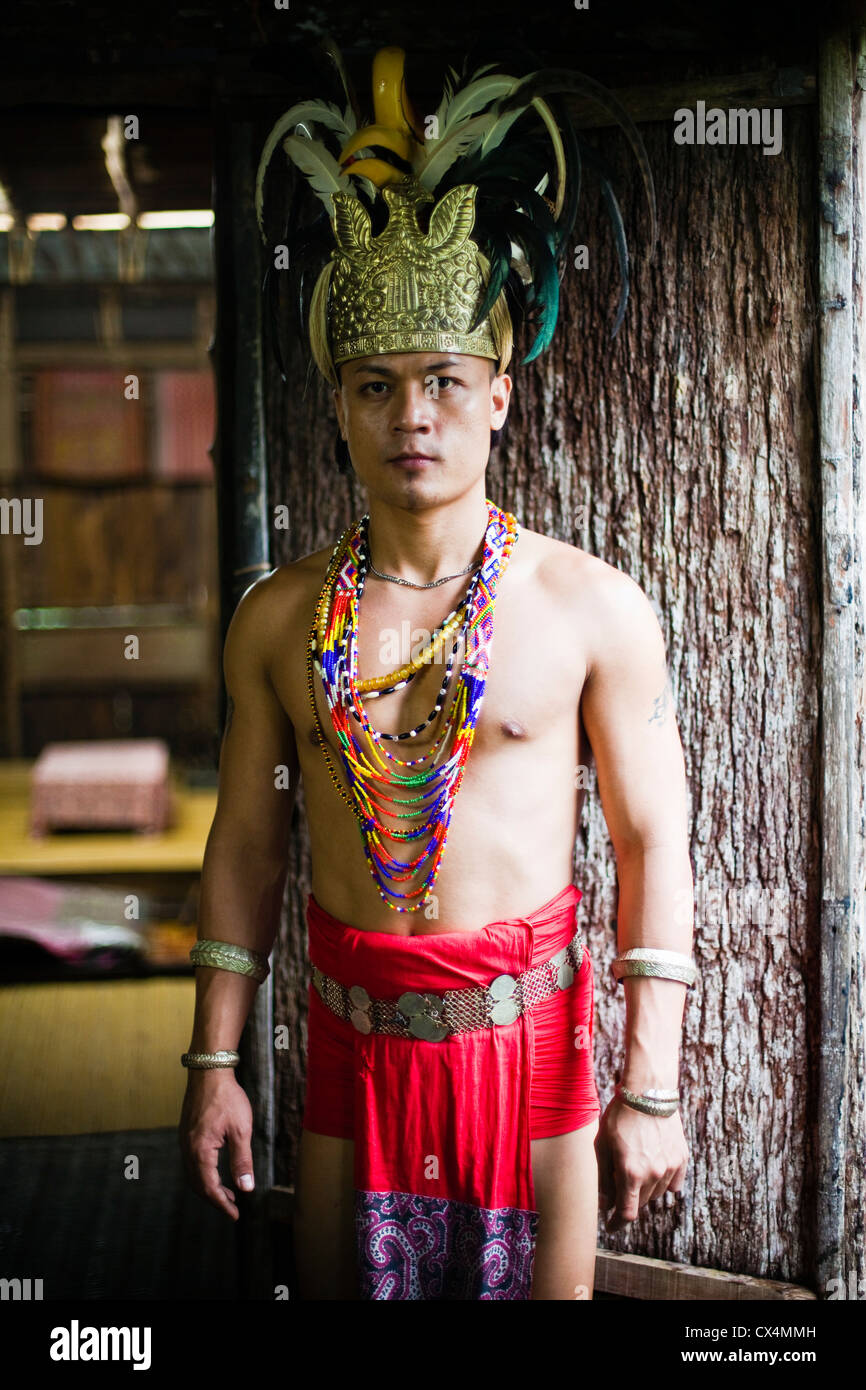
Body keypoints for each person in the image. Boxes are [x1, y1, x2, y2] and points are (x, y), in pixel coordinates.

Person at [179, 43, 696, 1301]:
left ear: (498, 397)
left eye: (443, 384)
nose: (412, 415)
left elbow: (650, 845)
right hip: (351, 1045)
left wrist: (651, 1091)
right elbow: (248, 844)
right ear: (339, 405)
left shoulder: (589, 610)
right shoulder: (278, 621)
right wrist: (212, 1063)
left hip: (530, 1055)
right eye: (376, 387)